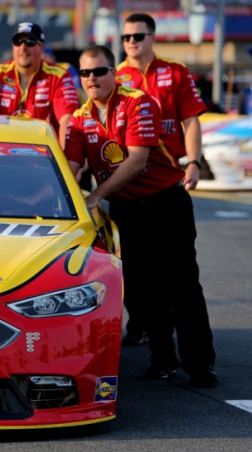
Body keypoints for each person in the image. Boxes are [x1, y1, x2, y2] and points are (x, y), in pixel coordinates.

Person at [64, 45, 217, 388]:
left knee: (182, 286)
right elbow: (71, 169)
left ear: (114, 73)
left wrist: (97, 196)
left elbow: (136, 160)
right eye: (85, 73)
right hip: (126, 211)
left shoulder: (139, 101)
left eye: (99, 71)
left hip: (166, 203)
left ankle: (199, 364)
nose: (92, 79)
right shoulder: (78, 118)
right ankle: (163, 360)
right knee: (142, 290)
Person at [115, 12, 209, 345]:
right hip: (128, 191)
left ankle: (196, 355)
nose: (131, 43)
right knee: (134, 272)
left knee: (181, 276)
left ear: (152, 38)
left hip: (168, 186)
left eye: (137, 36)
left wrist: (194, 162)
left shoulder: (175, 72)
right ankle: (143, 325)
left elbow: (191, 121)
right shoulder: (114, 77)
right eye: (126, 37)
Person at [0, 22, 80, 147]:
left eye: (30, 42)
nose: (23, 48)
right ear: (13, 46)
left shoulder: (59, 77)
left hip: (42, 159)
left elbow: (68, 122)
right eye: (18, 42)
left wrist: (64, 160)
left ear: (42, 47)